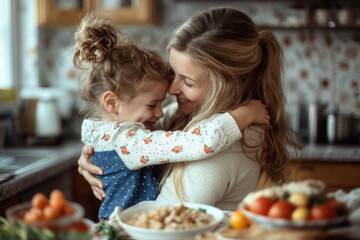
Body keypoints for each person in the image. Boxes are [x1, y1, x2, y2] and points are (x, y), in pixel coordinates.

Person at [78, 7, 301, 212]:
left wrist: (241, 116)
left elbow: (162, 227)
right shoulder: (189, 113)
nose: (172, 89)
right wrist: (101, 150)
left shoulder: (226, 146)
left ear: (227, 85)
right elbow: (132, 137)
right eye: (173, 73)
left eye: (188, 82)